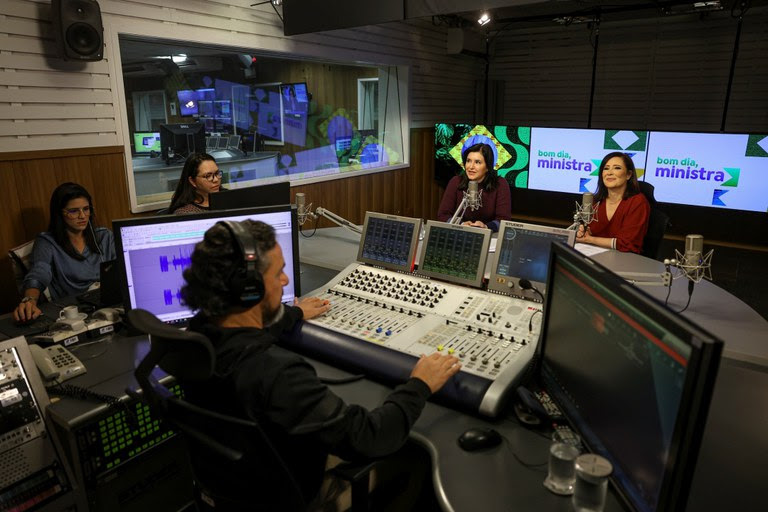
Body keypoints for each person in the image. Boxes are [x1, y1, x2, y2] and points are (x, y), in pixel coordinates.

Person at [180, 220, 461, 509]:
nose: (286, 281)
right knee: (414, 457)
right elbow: (370, 436)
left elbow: (244, 334)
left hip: (230, 488)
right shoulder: (277, 373)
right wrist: (419, 385)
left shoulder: (195, 339)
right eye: (278, 273)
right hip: (293, 495)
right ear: (249, 289)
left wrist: (292, 314)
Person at [14, 182, 115, 322]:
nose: (82, 216)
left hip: (109, 305)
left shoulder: (104, 236)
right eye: (74, 211)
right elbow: (39, 273)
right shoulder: (47, 242)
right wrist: (29, 300)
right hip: (74, 311)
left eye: (86, 209)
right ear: (59, 214)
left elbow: (122, 269)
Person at [577, 152, 650, 253]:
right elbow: (590, 231)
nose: (609, 172)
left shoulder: (638, 202)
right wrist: (583, 231)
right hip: (593, 255)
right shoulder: (595, 201)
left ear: (628, 175)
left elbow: (627, 244)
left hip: (624, 260)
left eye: (617, 168)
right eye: (606, 168)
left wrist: (590, 239)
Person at [436, 142, 512, 232]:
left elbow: (504, 220)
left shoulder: (500, 184)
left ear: (487, 167)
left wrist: (486, 227)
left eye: (477, 162)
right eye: (468, 161)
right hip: (459, 232)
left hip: (489, 235)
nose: (471, 167)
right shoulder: (456, 182)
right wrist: (461, 225)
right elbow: (442, 215)